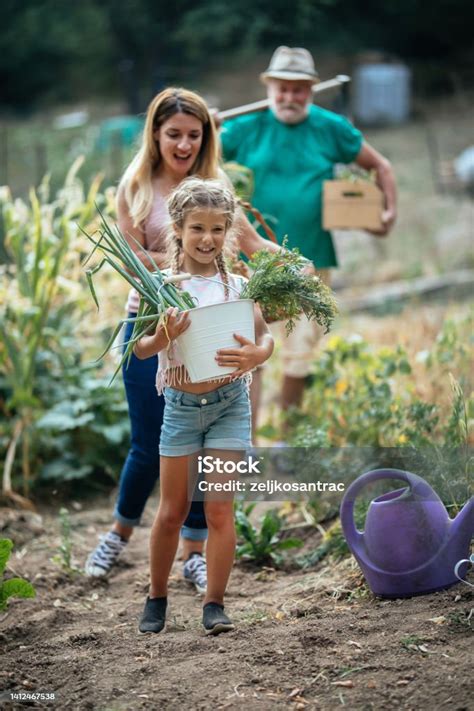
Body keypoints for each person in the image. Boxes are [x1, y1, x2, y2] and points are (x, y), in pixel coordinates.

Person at [85, 88, 279, 587]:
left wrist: (284, 266)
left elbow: (248, 242)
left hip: (214, 324)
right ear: (155, 133)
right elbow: (131, 257)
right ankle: (119, 534)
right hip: (152, 323)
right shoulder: (137, 186)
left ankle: (194, 551)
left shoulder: (214, 184)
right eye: (174, 134)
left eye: (195, 134)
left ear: (206, 136)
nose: (184, 143)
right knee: (150, 445)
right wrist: (186, 268)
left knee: (209, 448)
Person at [220, 46, 397, 418]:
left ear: (311, 90)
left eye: (298, 89)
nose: (289, 97)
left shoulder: (329, 127)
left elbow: (381, 166)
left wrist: (387, 212)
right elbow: (194, 154)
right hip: (250, 261)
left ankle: (286, 441)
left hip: (311, 260)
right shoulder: (242, 129)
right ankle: (246, 441)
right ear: (268, 87)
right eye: (281, 88)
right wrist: (206, 124)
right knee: (248, 350)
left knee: (299, 354)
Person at [135, 177, 274, 634]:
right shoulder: (163, 286)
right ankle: (156, 596)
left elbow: (264, 334)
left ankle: (214, 604)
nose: (207, 239)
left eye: (217, 229)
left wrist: (259, 354)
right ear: (178, 228)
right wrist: (165, 336)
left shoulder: (237, 285)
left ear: (228, 230)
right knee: (172, 509)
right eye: (197, 228)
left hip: (230, 405)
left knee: (218, 510)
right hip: (181, 407)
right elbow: (140, 350)